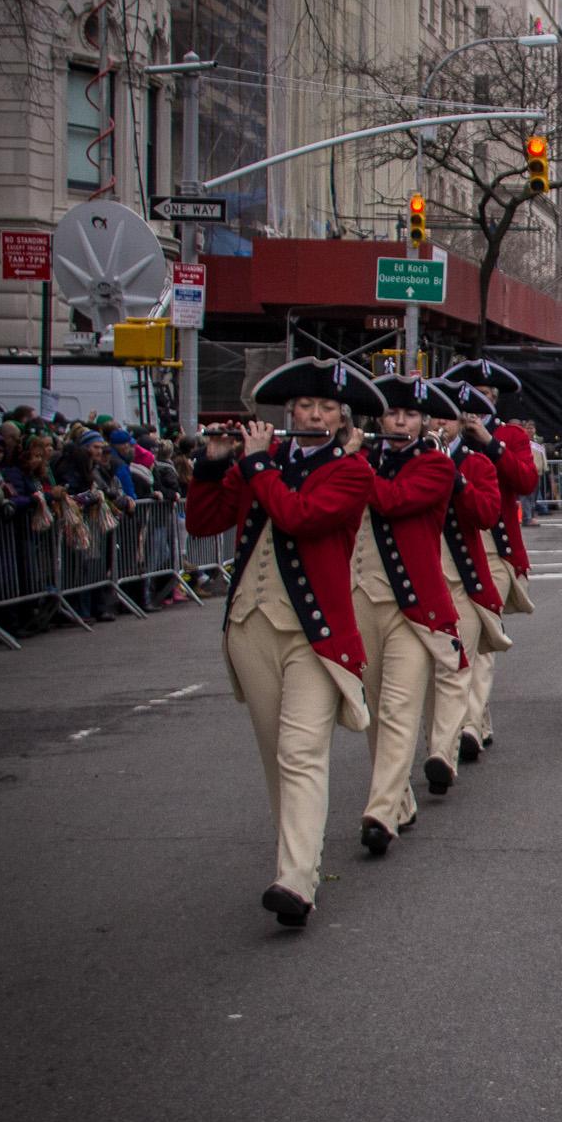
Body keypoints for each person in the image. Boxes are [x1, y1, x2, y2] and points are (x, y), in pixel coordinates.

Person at [184, 358, 385, 929]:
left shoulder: (351, 473)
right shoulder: (261, 461)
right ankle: (293, 861)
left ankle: (296, 880)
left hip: (315, 635)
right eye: (304, 407)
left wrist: (252, 467)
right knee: (276, 753)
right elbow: (203, 522)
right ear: (288, 412)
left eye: (325, 408)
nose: (313, 414)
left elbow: (299, 517)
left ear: (341, 419)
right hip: (251, 624)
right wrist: (213, 463)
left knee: (301, 752)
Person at [351, 375, 466, 856]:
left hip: (413, 605)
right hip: (358, 598)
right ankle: (398, 797)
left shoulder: (435, 466)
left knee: (399, 709)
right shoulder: (363, 461)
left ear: (422, 422)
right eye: (393, 413)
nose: (400, 421)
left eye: (410, 415)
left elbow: (392, 502)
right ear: (379, 418)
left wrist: (351, 460)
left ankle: (379, 812)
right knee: (374, 710)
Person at [438, 359, 538, 753]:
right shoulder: (439, 438)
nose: (475, 409)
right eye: (469, 402)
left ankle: (468, 726)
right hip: (446, 547)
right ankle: (477, 716)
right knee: (461, 638)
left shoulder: (508, 436)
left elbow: (527, 481)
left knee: (479, 635)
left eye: (485, 401)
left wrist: (490, 443)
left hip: (494, 547)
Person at [424, 389, 512, 793]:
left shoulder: (475, 464)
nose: (436, 426)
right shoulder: (399, 464)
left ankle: (444, 750)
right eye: (432, 419)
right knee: (413, 681)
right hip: (413, 582)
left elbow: (486, 514)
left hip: (461, 580)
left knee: (456, 666)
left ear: (460, 424)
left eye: (445, 419)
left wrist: (453, 476)